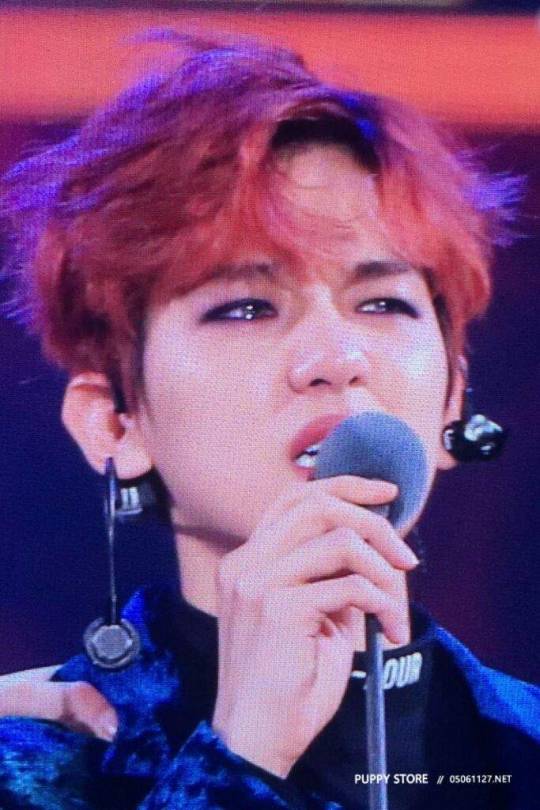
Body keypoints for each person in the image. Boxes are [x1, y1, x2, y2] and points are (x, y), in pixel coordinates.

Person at [0, 30, 538, 810]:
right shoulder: (32, 770)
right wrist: (242, 755)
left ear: (454, 395)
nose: (335, 356)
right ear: (114, 422)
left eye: (382, 302)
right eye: (246, 307)